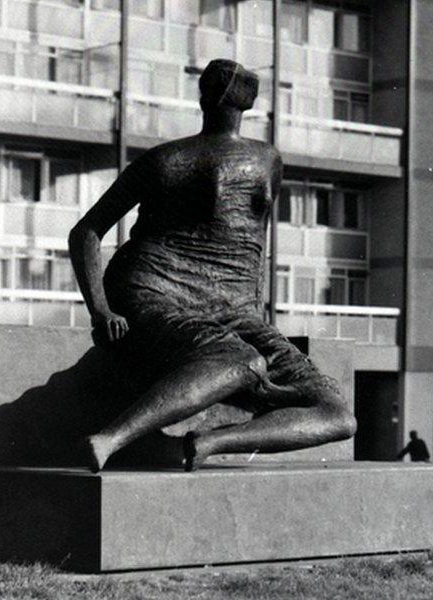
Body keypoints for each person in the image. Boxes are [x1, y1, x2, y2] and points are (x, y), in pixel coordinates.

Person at [70, 59, 356, 472]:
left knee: (335, 412)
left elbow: (255, 241)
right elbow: (87, 232)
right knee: (241, 361)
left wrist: (256, 316)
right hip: (156, 288)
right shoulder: (164, 160)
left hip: (234, 307)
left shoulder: (267, 160)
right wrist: (101, 311)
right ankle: (108, 440)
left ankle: (207, 444)